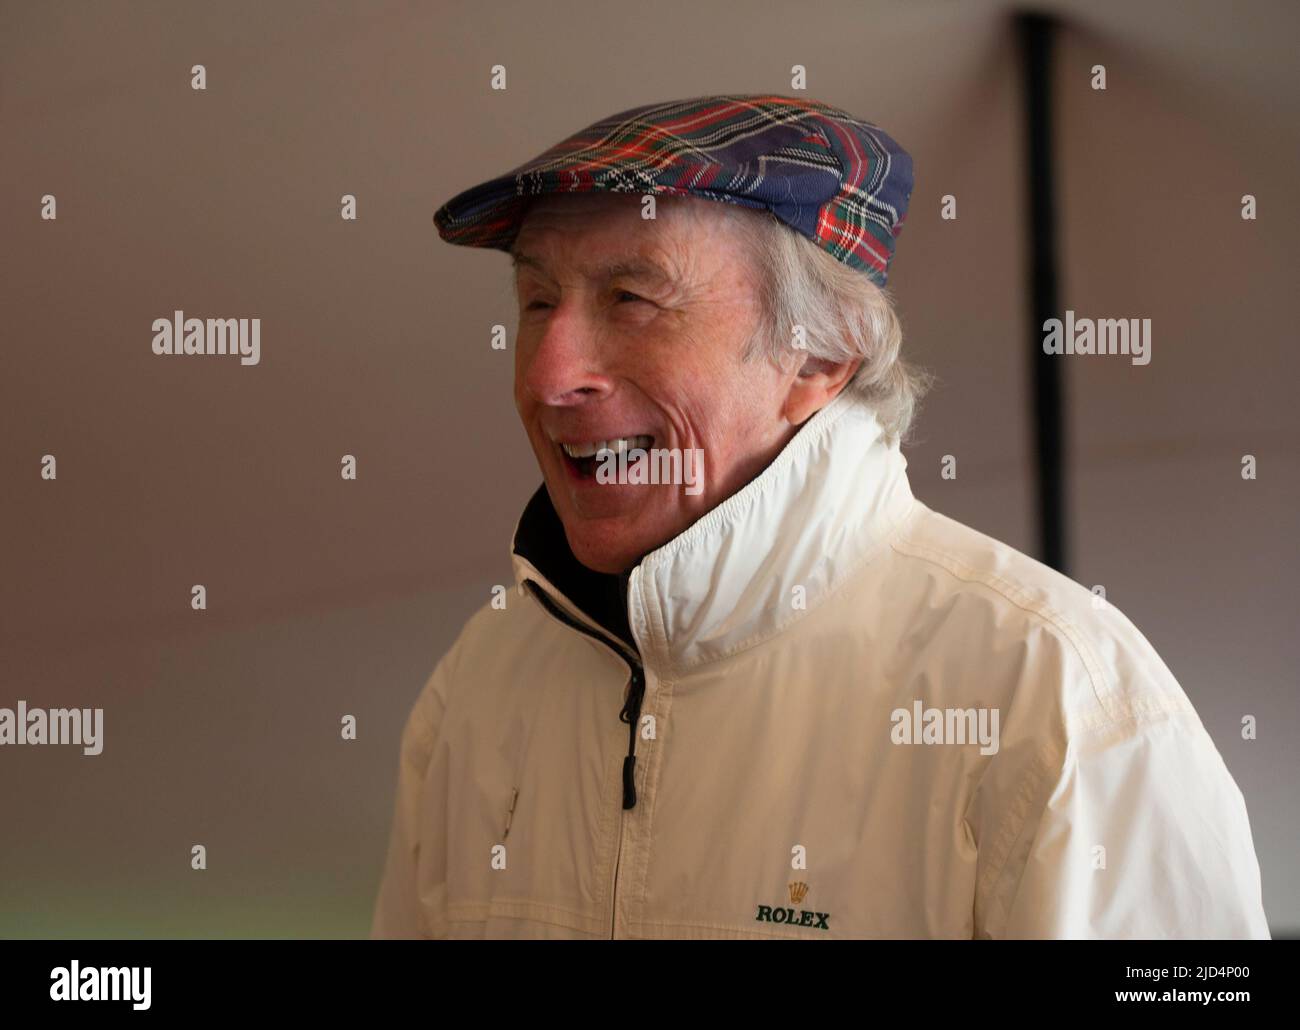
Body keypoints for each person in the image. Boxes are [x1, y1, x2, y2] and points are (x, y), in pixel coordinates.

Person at [371, 94, 1269, 938]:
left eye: (631, 299)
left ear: (821, 356)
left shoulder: (1059, 703)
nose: (546, 375)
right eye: (536, 302)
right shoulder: (479, 685)